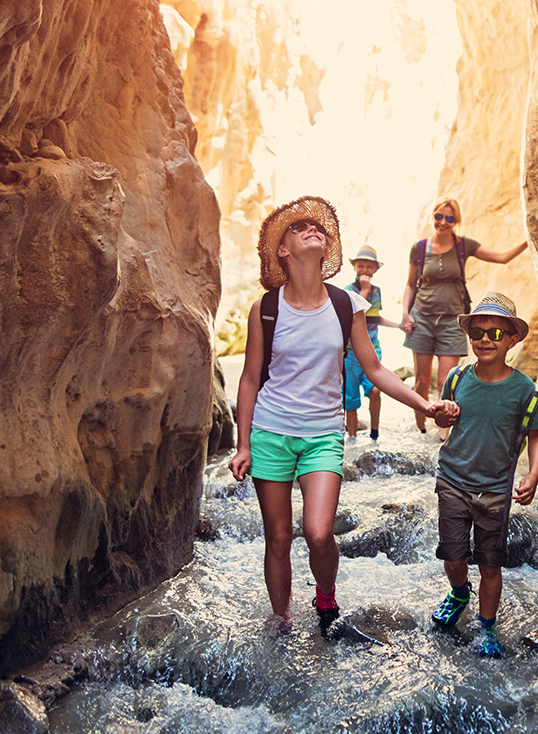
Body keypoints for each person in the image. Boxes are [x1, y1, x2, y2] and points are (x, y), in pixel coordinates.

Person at [229, 195, 455, 636]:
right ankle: (281, 622)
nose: (311, 229)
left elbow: (374, 369)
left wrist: (423, 404)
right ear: (283, 250)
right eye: (298, 229)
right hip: (270, 431)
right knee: (276, 538)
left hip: (322, 435)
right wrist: (242, 444)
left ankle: (325, 597)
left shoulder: (346, 303)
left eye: (317, 227)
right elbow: (249, 379)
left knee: (317, 533)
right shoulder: (266, 307)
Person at [429, 292, 538, 658]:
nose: (484, 339)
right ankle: (460, 592)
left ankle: (487, 627)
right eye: (478, 331)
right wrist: (441, 419)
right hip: (452, 480)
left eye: (495, 334)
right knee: (453, 556)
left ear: (512, 340)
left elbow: (536, 435)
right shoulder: (458, 376)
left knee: (490, 563)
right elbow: (443, 422)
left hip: (495, 491)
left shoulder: (525, 390)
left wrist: (533, 474)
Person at [400, 198, 529, 439]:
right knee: (421, 381)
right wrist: (405, 313)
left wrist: (530, 237)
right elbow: (409, 284)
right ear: (433, 217)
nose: (443, 222)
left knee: (446, 382)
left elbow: (502, 257)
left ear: (456, 221)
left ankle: (443, 437)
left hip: (451, 321)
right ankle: (420, 431)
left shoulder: (463, 246)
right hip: (422, 319)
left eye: (449, 218)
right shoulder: (419, 248)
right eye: (439, 216)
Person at [342, 245, 396, 441]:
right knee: (350, 398)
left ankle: (374, 434)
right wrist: (363, 290)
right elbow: (351, 314)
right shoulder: (348, 291)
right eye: (360, 266)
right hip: (351, 354)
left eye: (369, 267)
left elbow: (375, 318)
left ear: (375, 269)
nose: (364, 270)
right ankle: (353, 438)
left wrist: (399, 325)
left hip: (373, 350)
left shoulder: (377, 292)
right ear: (355, 267)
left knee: (375, 389)